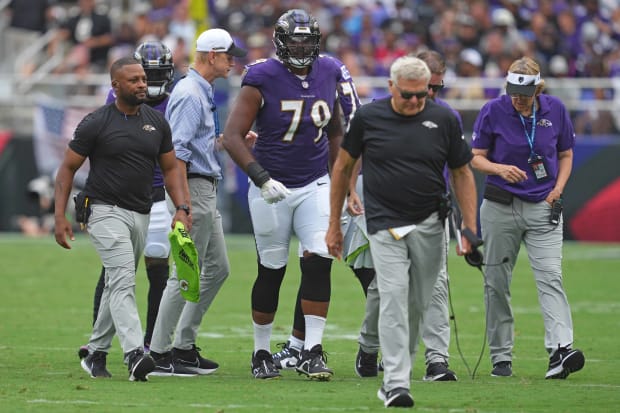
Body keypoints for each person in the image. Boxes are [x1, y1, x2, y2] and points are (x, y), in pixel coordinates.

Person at [325, 56, 478, 408]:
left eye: (421, 96)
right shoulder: (368, 117)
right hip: (385, 221)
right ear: (392, 86)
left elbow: (462, 173)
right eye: (407, 95)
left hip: (430, 221)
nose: (413, 102)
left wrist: (469, 226)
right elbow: (343, 166)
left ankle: (397, 365)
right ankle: (396, 382)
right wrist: (334, 223)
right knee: (393, 294)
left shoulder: (443, 119)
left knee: (419, 300)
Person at [221, 9, 360, 381]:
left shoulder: (328, 70)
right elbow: (232, 136)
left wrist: (338, 180)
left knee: (318, 260)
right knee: (272, 269)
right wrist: (261, 178)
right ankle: (261, 352)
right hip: (272, 188)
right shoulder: (262, 75)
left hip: (314, 183)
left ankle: (312, 351)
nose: (301, 46)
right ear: (281, 42)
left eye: (307, 40)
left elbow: (335, 130)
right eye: (294, 39)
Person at [54, 56, 191, 381]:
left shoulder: (157, 123)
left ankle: (95, 353)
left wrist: (182, 209)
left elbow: (171, 168)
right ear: (115, 86)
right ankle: (133, 355)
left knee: (118, 281)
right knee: (123, 278)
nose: (142, 84)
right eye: (134, 80)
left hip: (141, 212)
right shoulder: (96, 122)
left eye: (143, 79)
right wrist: (59, 216)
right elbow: (67, 168)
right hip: (103, 210)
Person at [470, 56, 585, 379]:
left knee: (551, 276)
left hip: (542, 206)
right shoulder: (493, 110)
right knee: (496, 282)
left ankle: (561, 350)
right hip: (500, 206)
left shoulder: (555, 110)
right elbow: (476, 158)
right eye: (513, 92)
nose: (518, 99)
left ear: (539, 88)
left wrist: (558, 189)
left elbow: (565, 153)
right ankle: (500, 356)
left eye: (525, 92)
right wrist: (498, 168)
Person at [351, 50, 461, 382]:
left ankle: (437, 358)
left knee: (436, 283)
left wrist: (465, 219)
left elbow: (461, 169)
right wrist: (349, 192)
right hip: (387, 210)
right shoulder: (375, 114)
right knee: (387, 286)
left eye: (434, 89)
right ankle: (369, 346)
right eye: (421, 89)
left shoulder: (444, 118)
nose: (427, 97)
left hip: (430, 209)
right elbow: (350, 157)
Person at [148, 28, 247, 377]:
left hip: (201, 187)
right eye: (228, 55)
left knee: (217, 268)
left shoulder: (197, 89)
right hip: (193, 189)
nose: (232, 60)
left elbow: (193, 144)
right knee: (185, 272)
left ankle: (183, 347)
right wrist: (183, 205)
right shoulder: (192, 93)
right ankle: (159, 352)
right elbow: (177, 153)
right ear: (211, 56)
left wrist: (220, 141)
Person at [78, 41, 176, 360]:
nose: (145, 83)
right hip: (117, 197)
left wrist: (183, 203)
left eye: (150, 77)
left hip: (158, 194)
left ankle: (151, 340)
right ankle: (108, 343)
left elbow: (177, 159)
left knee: (156, 261)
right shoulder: (114, 103)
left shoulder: (176, 101)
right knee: (118, 269)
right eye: (140, 77)